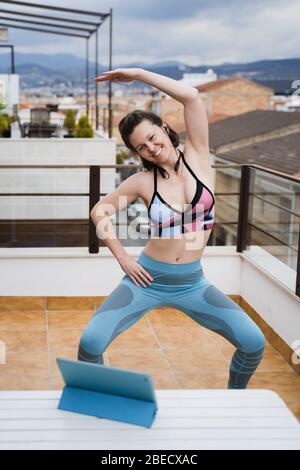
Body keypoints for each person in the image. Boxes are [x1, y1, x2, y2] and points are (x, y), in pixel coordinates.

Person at [78, 68, 265, 389]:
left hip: (192, 283)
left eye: (152, 137)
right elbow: (99, 211)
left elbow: (190, 96)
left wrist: (137, 74)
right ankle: (100, 395)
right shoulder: (140, 182)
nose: (150, 148)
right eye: (141, 147)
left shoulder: (199, 158)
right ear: (137, 153)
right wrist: (123, 258)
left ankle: (235, 398)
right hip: (147, 280)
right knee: (90, 344)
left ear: (165, 129)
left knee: (253, 342)